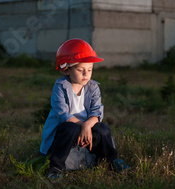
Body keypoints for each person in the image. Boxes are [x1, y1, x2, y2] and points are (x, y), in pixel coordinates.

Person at [40, 38, 130, 179]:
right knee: (71, 127)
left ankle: (111, 160)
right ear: (67, 69)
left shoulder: (93, 87)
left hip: (88, 134)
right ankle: (56, 167)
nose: (86, 74)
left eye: (89, 70)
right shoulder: (60, 86)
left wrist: (88, 125)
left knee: (103, 128)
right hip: (67, 133)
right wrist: (83, 126)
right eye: (80, 70)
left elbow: (97, 111)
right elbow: (63, 113)